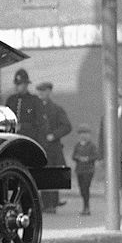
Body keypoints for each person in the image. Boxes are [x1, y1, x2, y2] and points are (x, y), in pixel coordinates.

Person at [36, 81, 71, 212]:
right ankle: (46, 204)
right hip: (39, 146)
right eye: (39, 91)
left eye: (43, 91)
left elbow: (67, 126)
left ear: (49, 92)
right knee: (42, 175)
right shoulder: (34, 109)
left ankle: (53, 204)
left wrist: (54, 135)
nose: (40, 94)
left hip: (53, 148)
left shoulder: (56, 109)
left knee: (53, 175)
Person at [5, 68, 45, 146]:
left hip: (30, 140)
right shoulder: (11, 100)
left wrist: (22, 126)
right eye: (17, 84)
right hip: (13, 140)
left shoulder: (34, 101)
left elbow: (40, 123)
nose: (17, 87)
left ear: (26, 84)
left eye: (20, 84)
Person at [71, 124, 99, 215]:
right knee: (82, 188)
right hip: (79, 170)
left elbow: (95, 156)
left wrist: (87, 158)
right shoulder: (77, 145)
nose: (83, 136)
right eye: (81, 133)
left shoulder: (92, 146)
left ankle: (87, 207)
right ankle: (84, 206)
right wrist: (79, 158)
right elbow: (73, 156)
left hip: (88, 170)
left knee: (86, 187)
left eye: (86, 133)